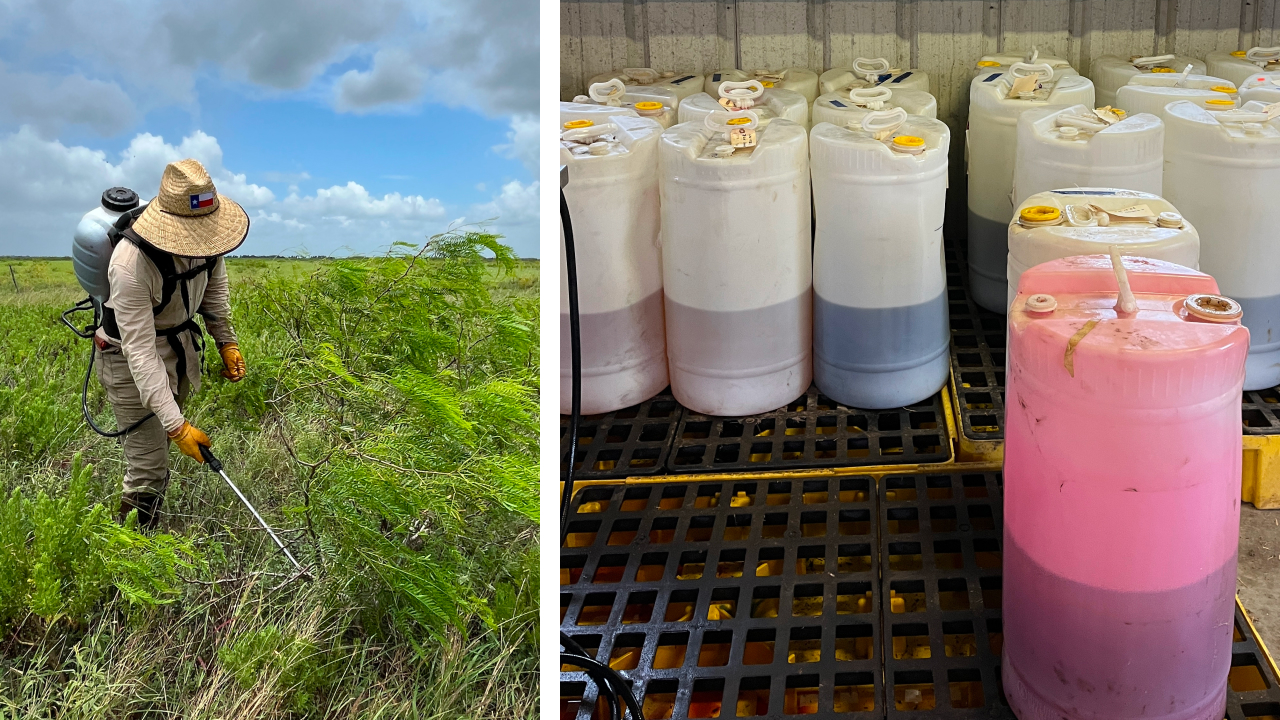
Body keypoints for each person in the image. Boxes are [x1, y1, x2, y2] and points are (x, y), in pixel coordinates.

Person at [94, 158, 249, 529]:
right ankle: (132, 555)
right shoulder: (131, 264)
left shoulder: (209, 241)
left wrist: (226, 341)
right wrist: (177, 427)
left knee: (159, 452)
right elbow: (141, 353)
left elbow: (215, 290)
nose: (205, 240)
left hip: (178, 345)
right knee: (148, 466)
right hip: (127, 358)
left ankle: (148, 531)